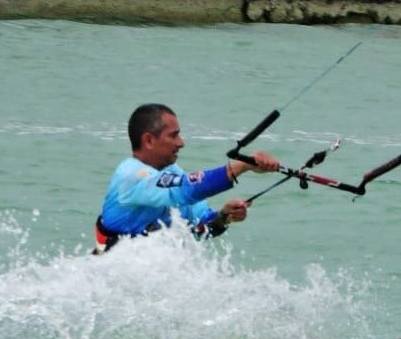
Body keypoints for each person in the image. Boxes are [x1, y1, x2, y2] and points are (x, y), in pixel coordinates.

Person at [95, 103, 280, 254]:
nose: (181, 143)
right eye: (173, 136)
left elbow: (201, 228)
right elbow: (182, 190)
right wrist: (241, 166)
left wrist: (224, 216)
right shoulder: (130, 175)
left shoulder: (173, 172)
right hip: (111, 274)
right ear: (149, 140)